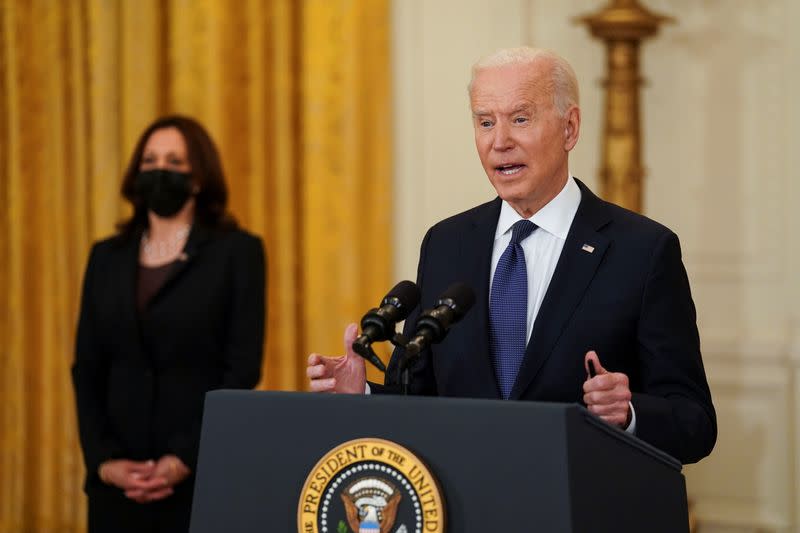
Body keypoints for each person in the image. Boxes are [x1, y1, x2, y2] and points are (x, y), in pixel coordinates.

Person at [307, 47, 716, 464]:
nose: (499, 142)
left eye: (520, 119)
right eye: (485, 122)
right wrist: (361, 393)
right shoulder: (447, 243)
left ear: (570, 128)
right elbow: (420, 394)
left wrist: (627, 413)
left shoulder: (642, 251)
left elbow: (694, 421)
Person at [72, 115, 266, 532]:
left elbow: (242, 370)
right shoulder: (105, 256)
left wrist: (183, 459)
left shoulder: (238, 253)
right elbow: (86, 367)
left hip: (199, 477)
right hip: (117, 484)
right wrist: (104, 461)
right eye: (150, 160)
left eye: (175, 162)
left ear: (198, 178)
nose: (161, 171)